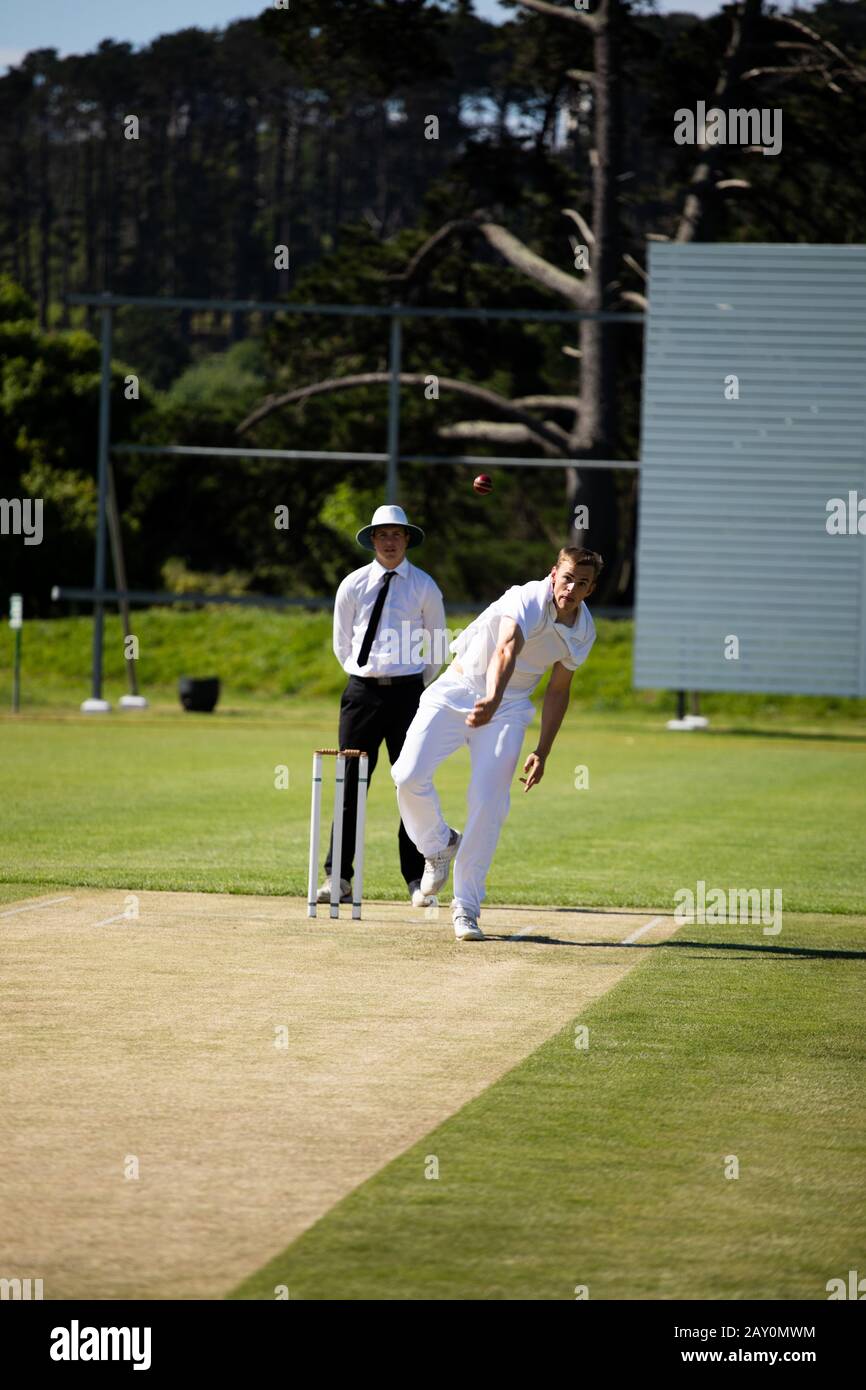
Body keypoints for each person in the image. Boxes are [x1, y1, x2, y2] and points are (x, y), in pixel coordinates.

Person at [391, 546, 603, 940]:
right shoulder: (527, 597)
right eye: (568, 577)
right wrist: (488, 695)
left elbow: (559, 690)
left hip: (509, 710)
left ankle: (466, 907)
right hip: (458, 688)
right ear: (553, 573)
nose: (571, 588)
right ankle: (438, 845)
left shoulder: (584, 631)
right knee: (406, 775)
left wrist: (543, 750)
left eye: (583, 583)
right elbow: (508, 646)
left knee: (489, 803)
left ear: (590, 590)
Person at [317, 504, 447, 908]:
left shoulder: (424, 585)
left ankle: (415, 877)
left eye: (396, 534)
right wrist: (365, 675)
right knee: (351, 785)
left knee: (409, 783)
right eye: (382, 535)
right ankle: (338, 877)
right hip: (362, 694)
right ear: (372, 540)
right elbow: (342, 643)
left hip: (409, 694)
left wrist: (416, 685)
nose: (389, 542)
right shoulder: (353, 584)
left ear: (407, 539)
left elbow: (439, 644)